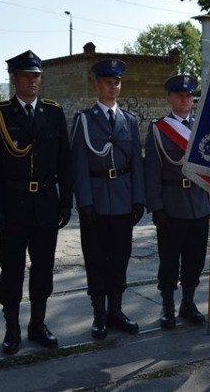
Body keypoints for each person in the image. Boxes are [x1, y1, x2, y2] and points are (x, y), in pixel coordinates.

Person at [0, 51, 72, 355]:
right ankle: (12, 328)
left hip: (46, 202)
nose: (33, 81)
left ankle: (38, 323)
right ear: (14, 79)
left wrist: (65, 202)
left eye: (36, 76)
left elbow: (65, 161)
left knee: (43, 268)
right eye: (27, 76)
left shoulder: (53, 112)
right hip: (13, 204)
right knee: (11, 269)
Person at [70, 59, 145, 340]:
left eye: (117, 82)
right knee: (96, 260)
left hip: (124, 202)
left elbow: (136, 161)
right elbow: (77, 165)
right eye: (107, 82)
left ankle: (116, 310)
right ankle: (99, 314)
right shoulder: (85, 120)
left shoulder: (129, 120)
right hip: (97, 202)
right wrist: (85, 202)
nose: (113, 86)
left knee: (120, 259)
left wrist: (139, 199)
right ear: (96, 84)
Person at [145, 75, 210, 328]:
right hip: (171, 205)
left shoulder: (202, 127)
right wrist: (156, 207)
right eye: (180, 95)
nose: (186, 99)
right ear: (169, 98)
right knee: (170, 259)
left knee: (195, 259)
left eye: (189, 95)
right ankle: (167, 305)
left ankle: (188, 302)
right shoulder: (158, 129)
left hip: (199, 203)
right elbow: (152, 171)